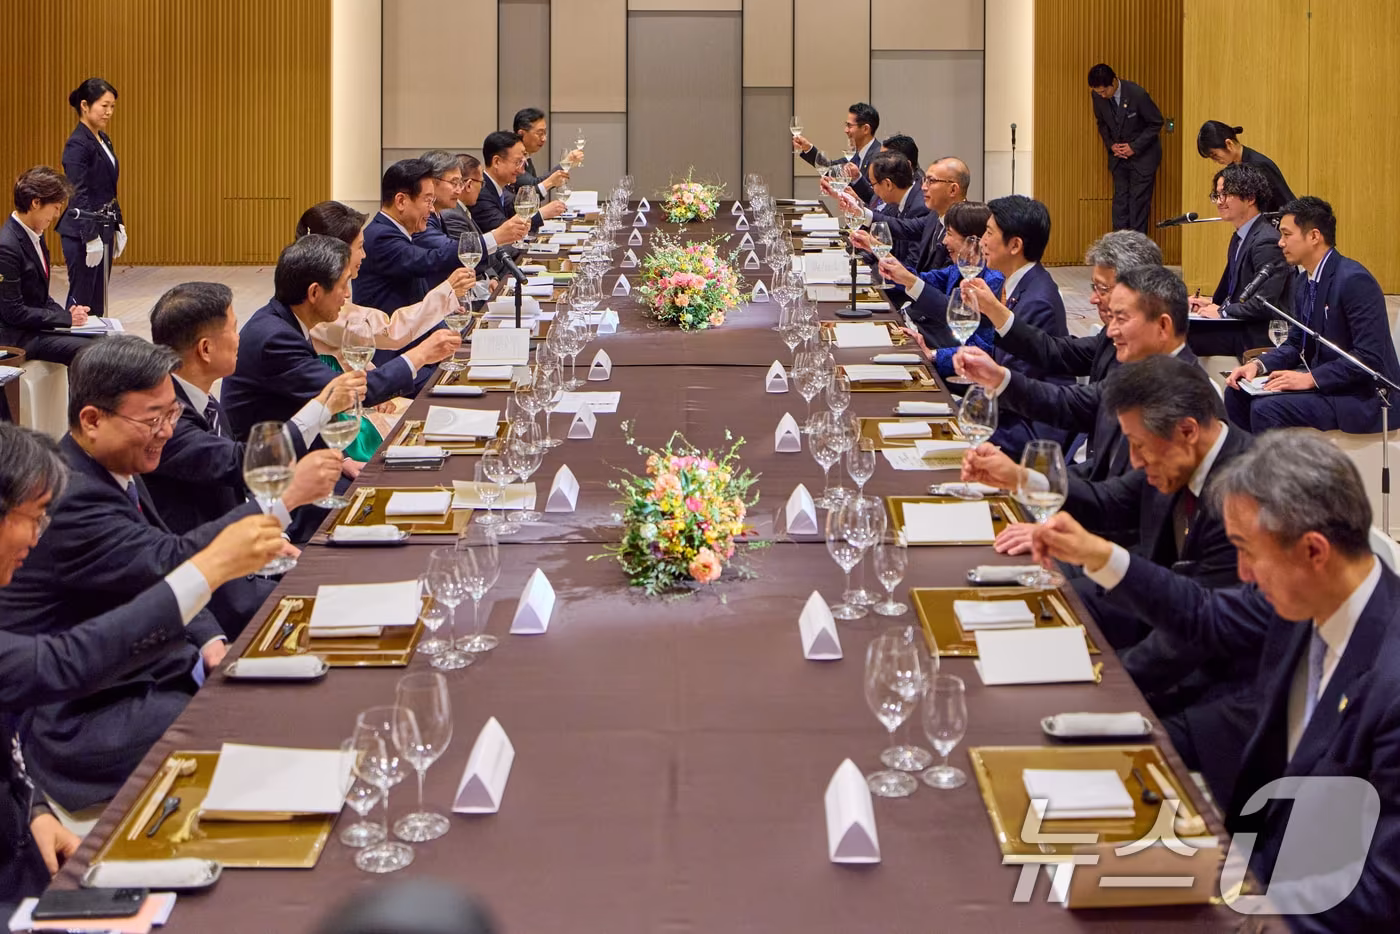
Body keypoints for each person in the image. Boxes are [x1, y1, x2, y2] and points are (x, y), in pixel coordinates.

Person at [1031, 431, 1400, 930]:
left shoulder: (1390, 679)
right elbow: (1204, 613)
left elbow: (1380, 890)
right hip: (1250, 862)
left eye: (1248, 550)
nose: (1243, 572)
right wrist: (1097, 554)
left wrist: (1233, 901)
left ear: (1314, 551)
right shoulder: (1309, 593)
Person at [0, 336, 340, 815]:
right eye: (152, 419)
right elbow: (170, 559)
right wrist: (281, 501)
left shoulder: (114, 464)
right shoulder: (69, 494)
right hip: (83, 713)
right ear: (93, 419)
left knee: (290, 680)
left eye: (171, 415)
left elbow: (151, 569)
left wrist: (208, 641)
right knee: (268, 721)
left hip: (148, 667)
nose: (165, 431)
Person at [0, 423, 287, 906]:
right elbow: (63, 663)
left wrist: (32, 810)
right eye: (34, 518)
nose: (37, 537)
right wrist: (209, 567)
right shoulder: (85, 500)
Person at [145, 281, 365, 535]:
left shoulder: (200, 399)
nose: (240, 338)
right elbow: (243, 463)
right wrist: (322, 405)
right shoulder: (167, 419)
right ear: (205, 349)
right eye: (233, 329)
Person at [222, 235, 460, 441]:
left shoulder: (286, 320)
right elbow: (347, 393)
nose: (347, 295)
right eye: (343, 284)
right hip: (272, 466)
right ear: (314, 292)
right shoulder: (275, 339)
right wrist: (420, 355)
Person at [1225, 197, 1400, 434]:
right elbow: (1297, 343)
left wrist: (1310, 379)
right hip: (1327, 384)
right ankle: (1244, 466)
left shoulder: (1354, 281)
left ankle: (1270, 471)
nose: (1280, 243)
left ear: (1314, 236)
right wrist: (1258, 365)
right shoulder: (1303, 280)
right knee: (1237, 393)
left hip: (1366, 395)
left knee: (1265, 408)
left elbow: (1368, 359)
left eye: (1287, 235)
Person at [951, 195, 1070, 460]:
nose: (982, 241)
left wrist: (963, 422)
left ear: (1015, 245)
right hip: (1005, 415)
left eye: (989, 233)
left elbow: (1017, 390)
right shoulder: (1018, 286)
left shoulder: (1038, 302)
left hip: (1025, 433)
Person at [296, 201, 473, 366]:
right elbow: (391, 331)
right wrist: (447, 291)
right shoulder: (320, 301)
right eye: (360, 247)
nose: (364, 255)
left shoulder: (320, 285)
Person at [1187, 163, 1291, 357]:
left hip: (1256, 332)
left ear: (1250, 198)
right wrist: (1208, 303)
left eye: (1226, 194)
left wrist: (1223, 312)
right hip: (1238, 324)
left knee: (1183, 338)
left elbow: (1264, 304)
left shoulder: (1266, 241)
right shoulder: (1239, 237)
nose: (1219, 201)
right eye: (1217, 195)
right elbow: (1230, 291)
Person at [876, 200, 1004, 355]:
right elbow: (924, 279)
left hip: (957, 360)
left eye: (949, 234)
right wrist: (887, 262)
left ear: (973, 241)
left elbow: (981, 344)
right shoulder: (958, 268)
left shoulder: (993, 279)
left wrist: (934, 356)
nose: (944, 241)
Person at [0, 168, 91, 364]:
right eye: (56, 207)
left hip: (32, 328)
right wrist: (65, 319)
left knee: (101, 340)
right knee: (90, 350)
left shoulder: (35, 234)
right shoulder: (6, 246)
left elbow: (38, 295)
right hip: (16, 337)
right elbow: (13, 312)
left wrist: (69, 315)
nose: (58, 214)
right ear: (35, 202)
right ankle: (83, 396)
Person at [351, 160, 466, 314]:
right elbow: (431, 260)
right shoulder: (381, 237)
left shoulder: (398, 232)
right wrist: (493, 238)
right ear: (400, 201)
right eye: (428, 200)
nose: (432, 209)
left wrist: (443, 308)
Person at [54, 78, 122, 318]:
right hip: (82, 231)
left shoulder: (104, 139)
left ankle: (95, 351)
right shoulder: (77, 144)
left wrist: (118, 223)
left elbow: (107, 187)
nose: (109, 112)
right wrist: (90, 235)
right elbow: (78, 192)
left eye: (112, 106)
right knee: (81, 300)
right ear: (85, 105)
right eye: (104, 106)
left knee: (98, 299)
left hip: (103, 226)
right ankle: (70, 348)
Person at [1088, 64, 1163, 234]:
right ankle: (1118, 253)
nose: (1102, 96)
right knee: (1120, 206)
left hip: (1143, 158)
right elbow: (1101, 123)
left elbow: (1156, 123)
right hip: (1119, 159)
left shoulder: (1137, 94)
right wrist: (1110, 144)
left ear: (1113, 82)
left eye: (1104, 91)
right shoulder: (1097, 96)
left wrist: (1134, 147)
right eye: (1098, 92)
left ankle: (1136, 256)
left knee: (1138, 207)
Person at [470, 131, 567, 250]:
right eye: (517, 162)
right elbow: (505, 230)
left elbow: (515, 208)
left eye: (523, 162)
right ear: (497, 162)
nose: (521, 171)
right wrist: (542, 213)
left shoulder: (502, 187)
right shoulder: (481, 192)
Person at [441, 153, 525, 282]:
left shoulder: (463, 209)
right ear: (469, 185)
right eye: (482, 183)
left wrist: (492, 276)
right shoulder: (452, 215)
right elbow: (466, 258)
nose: (482, 189)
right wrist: (501, 237)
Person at [793, 102, 882, 205]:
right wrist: (808, 148)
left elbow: (879, 201)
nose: (846, 130)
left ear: (865, 129)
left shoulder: (880, 157)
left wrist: (856, 199)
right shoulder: (854, 155)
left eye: (849, 126)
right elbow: (829, 168)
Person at [1196, 120, 1294, 212]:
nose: (1214, 161)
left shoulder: (1259, 165)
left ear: (1229, 144)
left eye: (1214, 155)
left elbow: (1286, 202)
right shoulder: (1232, 169)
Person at [512, 107, 580, 198]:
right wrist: (564, 164)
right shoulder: (513, 158)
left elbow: (536, 186)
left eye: (545, 133)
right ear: (521, 134)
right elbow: (532, 186)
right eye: (540, 133)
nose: (544, 139)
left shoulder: (527, 155)